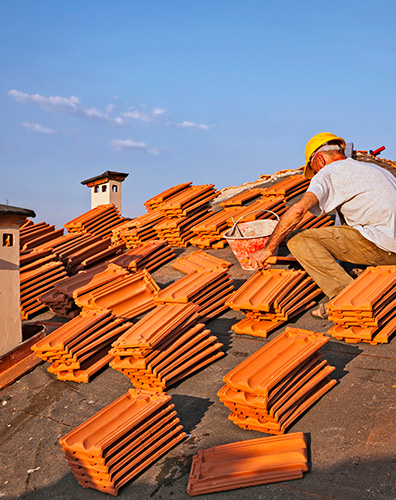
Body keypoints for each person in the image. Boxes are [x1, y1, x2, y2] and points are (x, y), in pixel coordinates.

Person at [249, 132, 396, 318]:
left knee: (297, 239)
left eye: (314, 170)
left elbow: (297, 211)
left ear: (319, 159)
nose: (316, 174)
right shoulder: (376, 170)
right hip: (392, 247)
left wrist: (268, 249)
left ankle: (344, 296)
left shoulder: (329, 172)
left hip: (383, 247)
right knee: (349, 228)